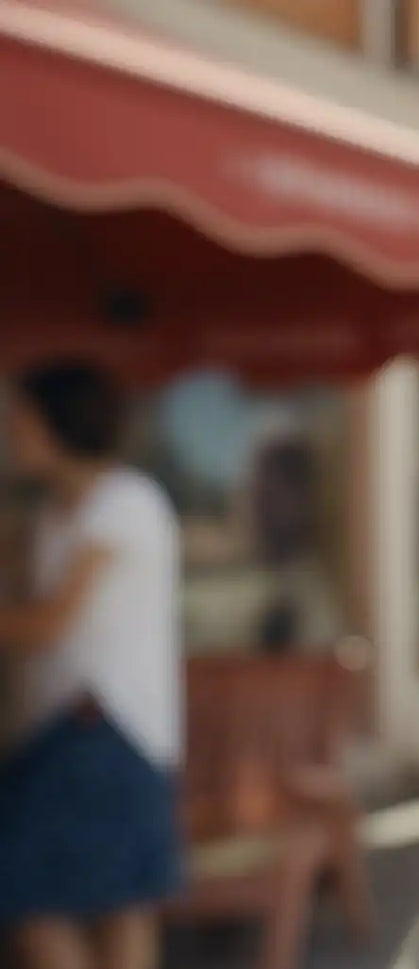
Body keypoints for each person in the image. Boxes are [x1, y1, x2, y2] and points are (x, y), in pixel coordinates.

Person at [0, 362, 183, 969]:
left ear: (58, 423)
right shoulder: (54, 517)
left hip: (103, 729)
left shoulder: (124, 503)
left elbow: (51, 621)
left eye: (22, 421)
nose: (12, 434)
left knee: (35, 900)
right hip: (78, 731)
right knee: (116, 906)